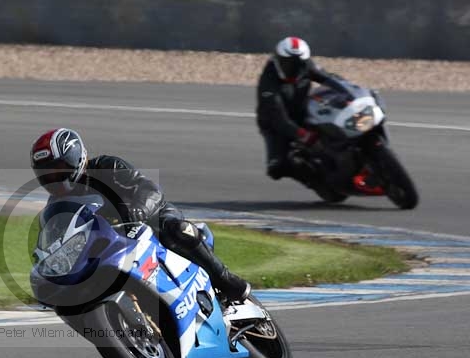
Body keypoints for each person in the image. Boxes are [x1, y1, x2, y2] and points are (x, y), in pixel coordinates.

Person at [30, 128, 250, 302]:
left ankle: (224, 278)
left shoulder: (107, 167)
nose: (53, 179)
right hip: (111, 246)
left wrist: (139, 208)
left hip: (150, 220)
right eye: (46, 175)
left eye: (57, 171)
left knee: (178, 230)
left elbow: (148, 189)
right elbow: (55, 241)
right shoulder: (58, 205)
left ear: (75, 158)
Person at [257, 36, 352, 181]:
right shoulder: (268, 82)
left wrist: (349, 91)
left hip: (302, 110)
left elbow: (328, 78)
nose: (293, 69)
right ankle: (313, 180)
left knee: (334, 123)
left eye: (298, 64)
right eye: (288, 64)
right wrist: (303, 135)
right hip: (274, 123)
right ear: (278, 60)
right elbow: (279, 118)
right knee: (276, 168)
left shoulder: (306, 66)